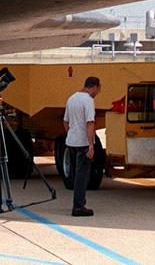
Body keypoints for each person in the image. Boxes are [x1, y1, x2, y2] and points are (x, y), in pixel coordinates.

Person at [63, 76, 101, 217]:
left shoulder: (71, 98)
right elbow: (90, 123)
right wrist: (91, 144)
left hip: (71, 142)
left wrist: (71, 134)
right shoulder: (88, 101)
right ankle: (78, 206)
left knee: (76, 174)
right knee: (82, 176)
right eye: (98, 89)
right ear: (94, 87)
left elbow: (65, 121)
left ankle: (78, 203)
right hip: (83, 143)